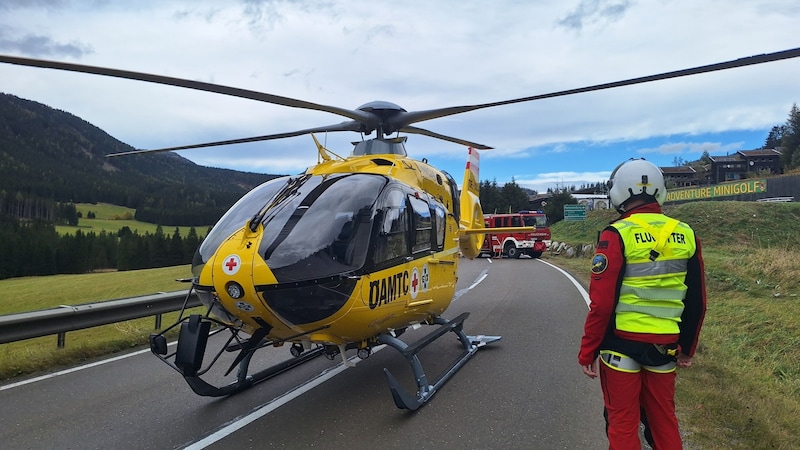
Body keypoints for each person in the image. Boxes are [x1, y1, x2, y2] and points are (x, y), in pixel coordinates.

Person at [578, 158, 707, 449]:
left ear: (620, 193)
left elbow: (601, 303)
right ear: (660, 190)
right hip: (664, 348)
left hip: (620, 346)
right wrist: (687, 347)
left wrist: (588, 350)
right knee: (664, 421)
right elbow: (697, 301)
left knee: (622, 423)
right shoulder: (686, 234)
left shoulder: (617, 234)